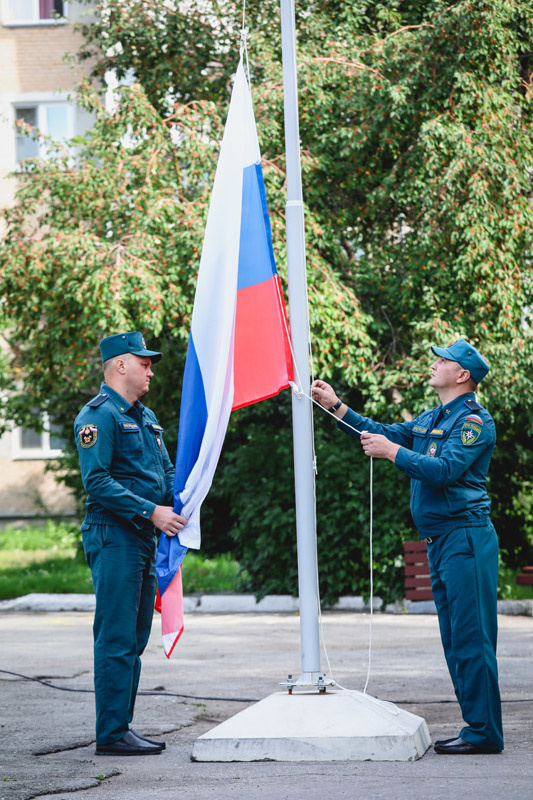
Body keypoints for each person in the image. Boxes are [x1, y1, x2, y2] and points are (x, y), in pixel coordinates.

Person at [311, 338, 503, 755]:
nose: (433, 364)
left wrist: (394, 453)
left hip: (465, 538)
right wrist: (337, 407)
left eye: (442, 360)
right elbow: (383, 433)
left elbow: (445, 469)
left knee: (472, 638)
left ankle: (485, 732)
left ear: (462, 375)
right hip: (442, 541)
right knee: (454, 640)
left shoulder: (473, 422)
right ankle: (478, 727)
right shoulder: (434, 417)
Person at [74, 331, 186, 756]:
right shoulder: (97, 416)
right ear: (120, 365)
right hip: (115, 533)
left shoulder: (146, 416)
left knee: (135, 635)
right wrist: (152, 511)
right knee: (117, 635)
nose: (150, 370)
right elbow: (97, 482)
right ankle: (111, 734)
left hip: (141, 536)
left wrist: (184, 499)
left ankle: (120, 727)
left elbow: (165, 471)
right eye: (144, 363)